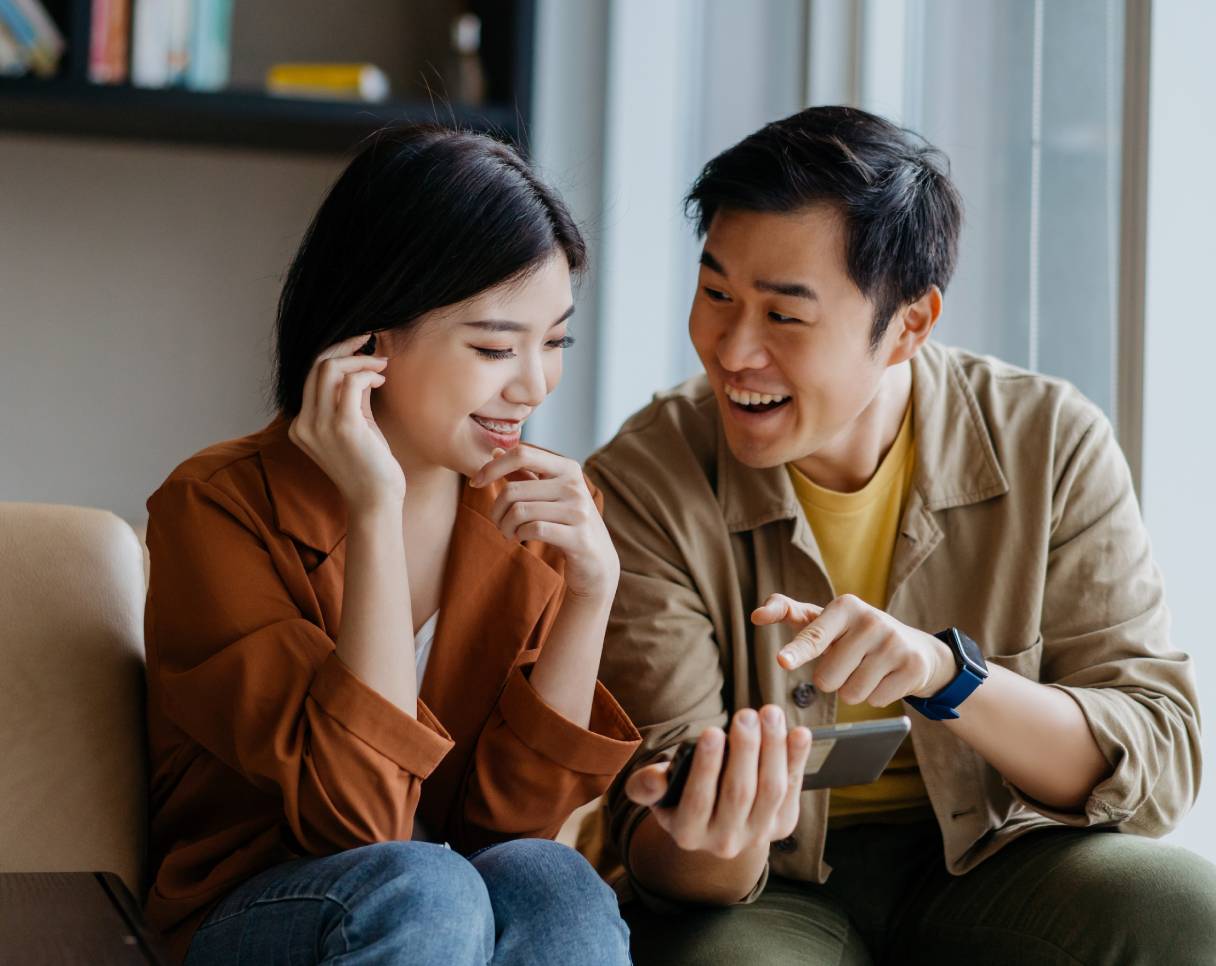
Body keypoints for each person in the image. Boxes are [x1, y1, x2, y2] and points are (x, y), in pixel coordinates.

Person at [586, 105, 1216, 965]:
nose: (732, 349)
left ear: (910, 324)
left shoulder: (1048, 440)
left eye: (785, 316)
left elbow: (1156, 752)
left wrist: (949, 677)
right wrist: (716, 827)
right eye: (716, 294)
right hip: (773, 887)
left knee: (1184, 910)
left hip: (1000, 857)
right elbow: (654, 843)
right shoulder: (642, 481)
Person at [142, 124, 640, 966]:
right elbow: (360, 821)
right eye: (494, 346)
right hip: (254, 911)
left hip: (444, 908)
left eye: (554, 342)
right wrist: (376, 511)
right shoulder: (216, 508)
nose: (533, 384)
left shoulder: (541, 510)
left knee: (554, 882)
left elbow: (510, 834)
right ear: (369, 339)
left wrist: (592, 594)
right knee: (423, 887)